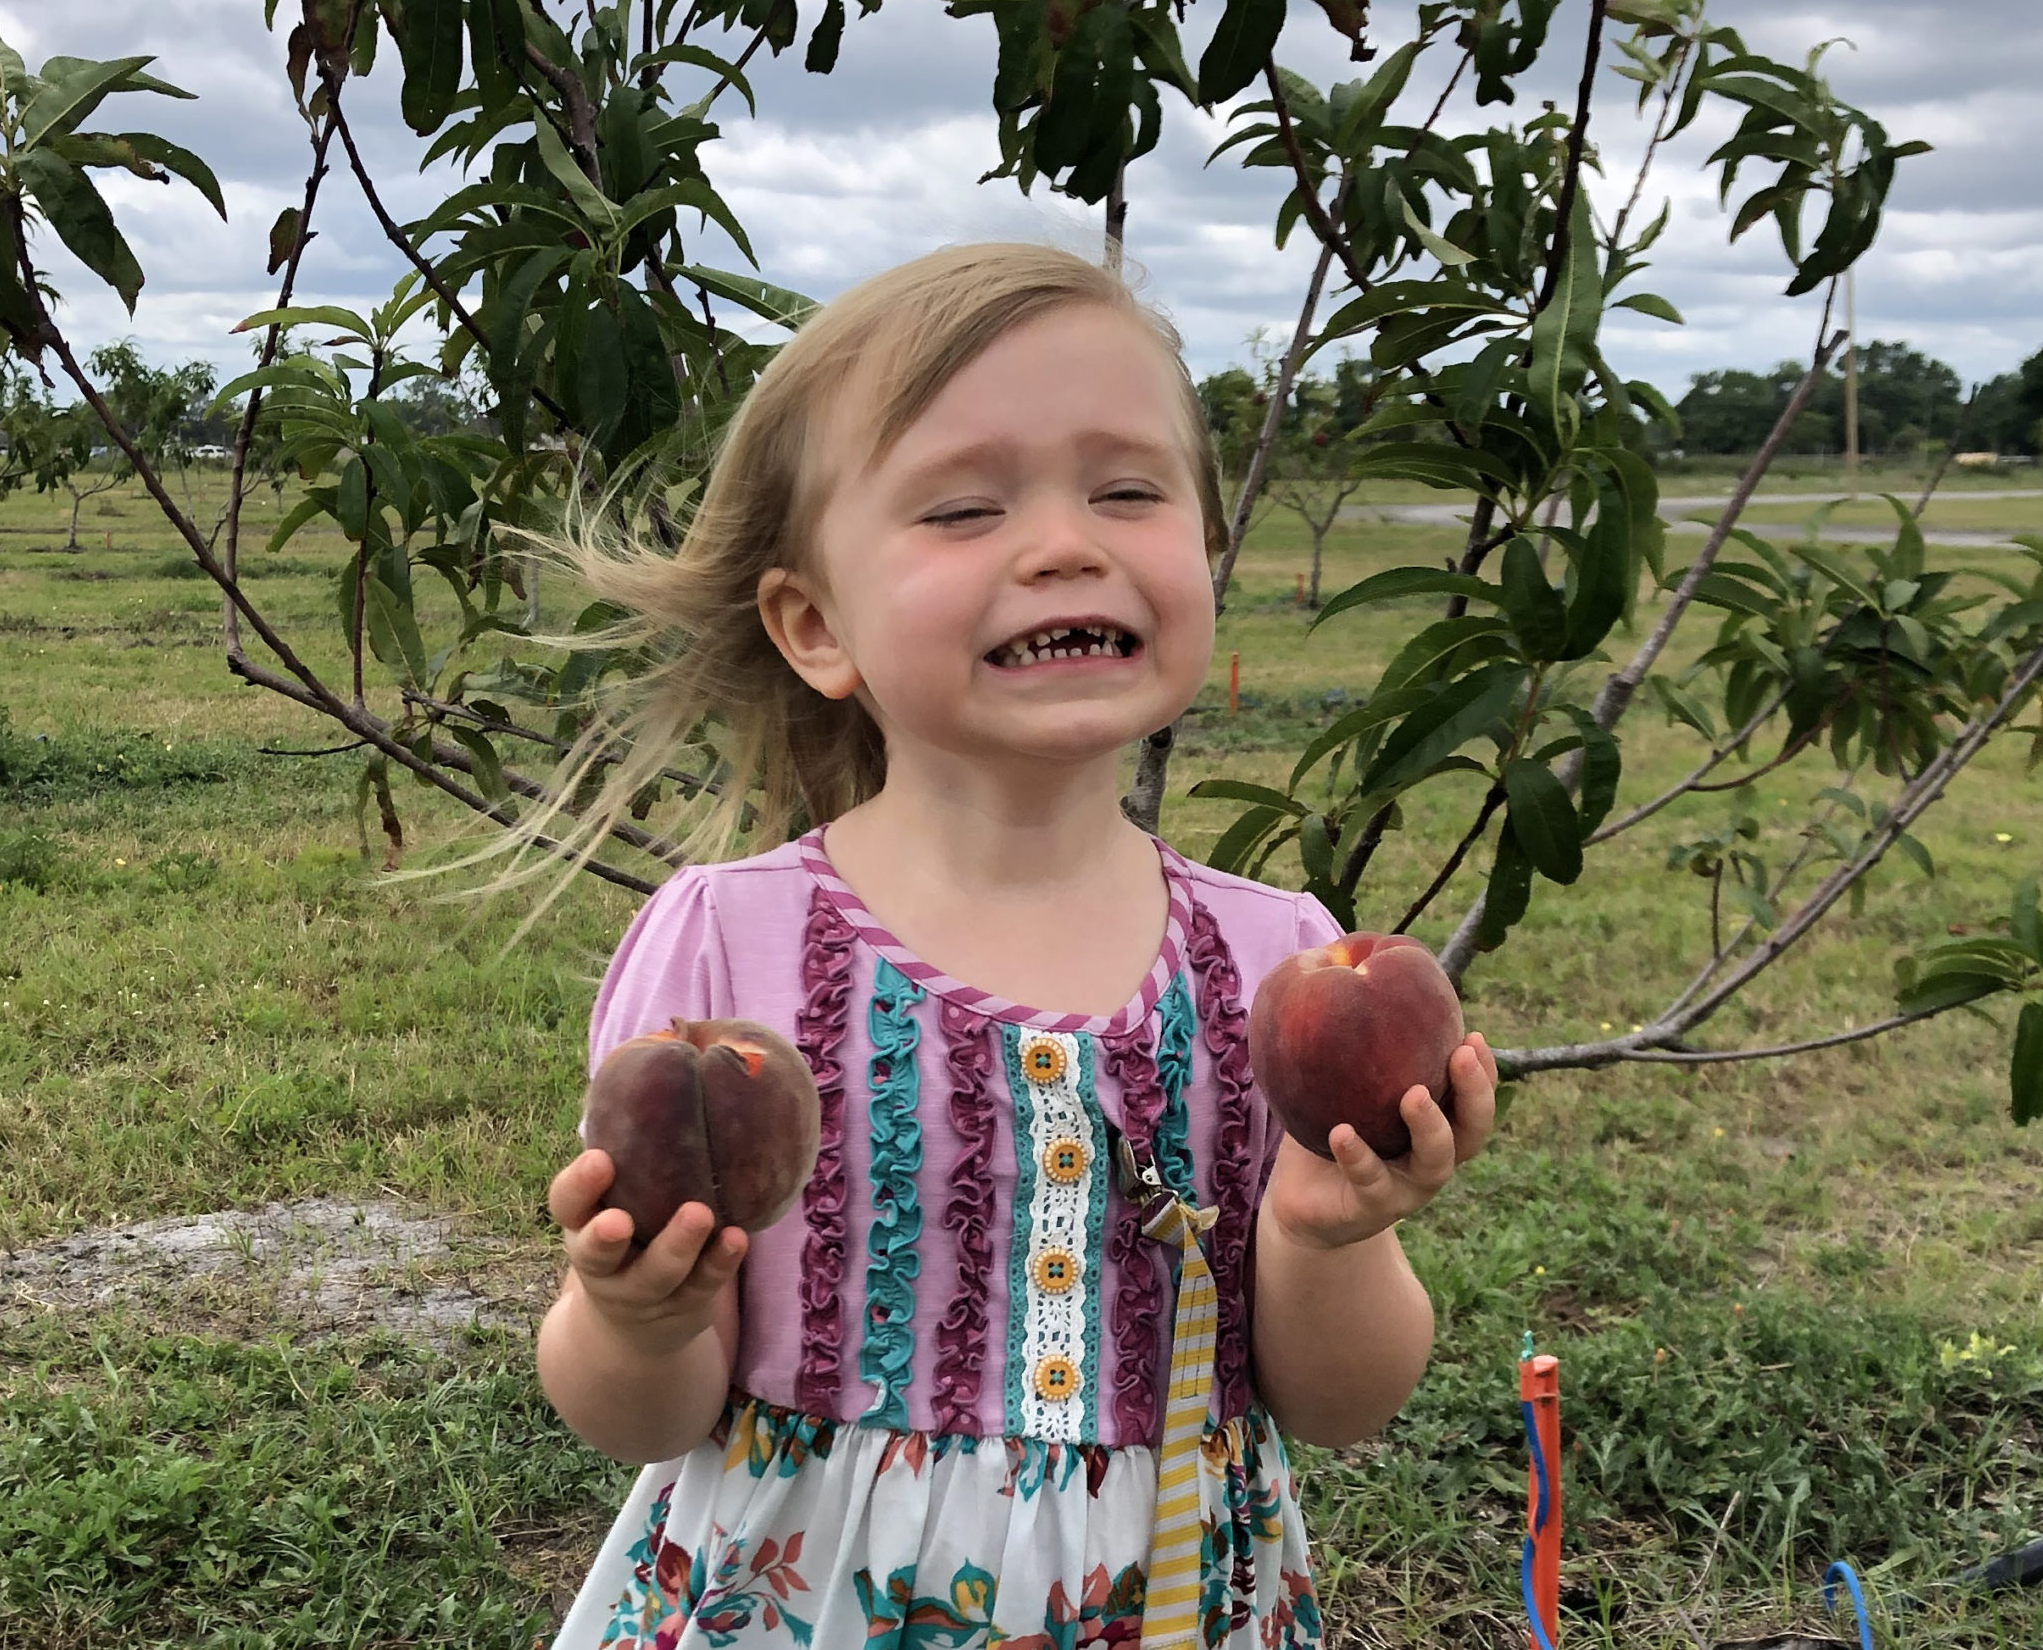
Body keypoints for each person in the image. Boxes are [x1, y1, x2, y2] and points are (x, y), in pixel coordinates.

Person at [530, 244, 1500, 1650]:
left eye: (1129, 489)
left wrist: (1323, 1232)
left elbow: (1344, 1406)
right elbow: (644, 1415)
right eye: (967, 505)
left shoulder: (1280, 957)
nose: (1065, 543)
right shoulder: (728, 941)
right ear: (815, 623)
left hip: (1171, 1596)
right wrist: (629, 1315)